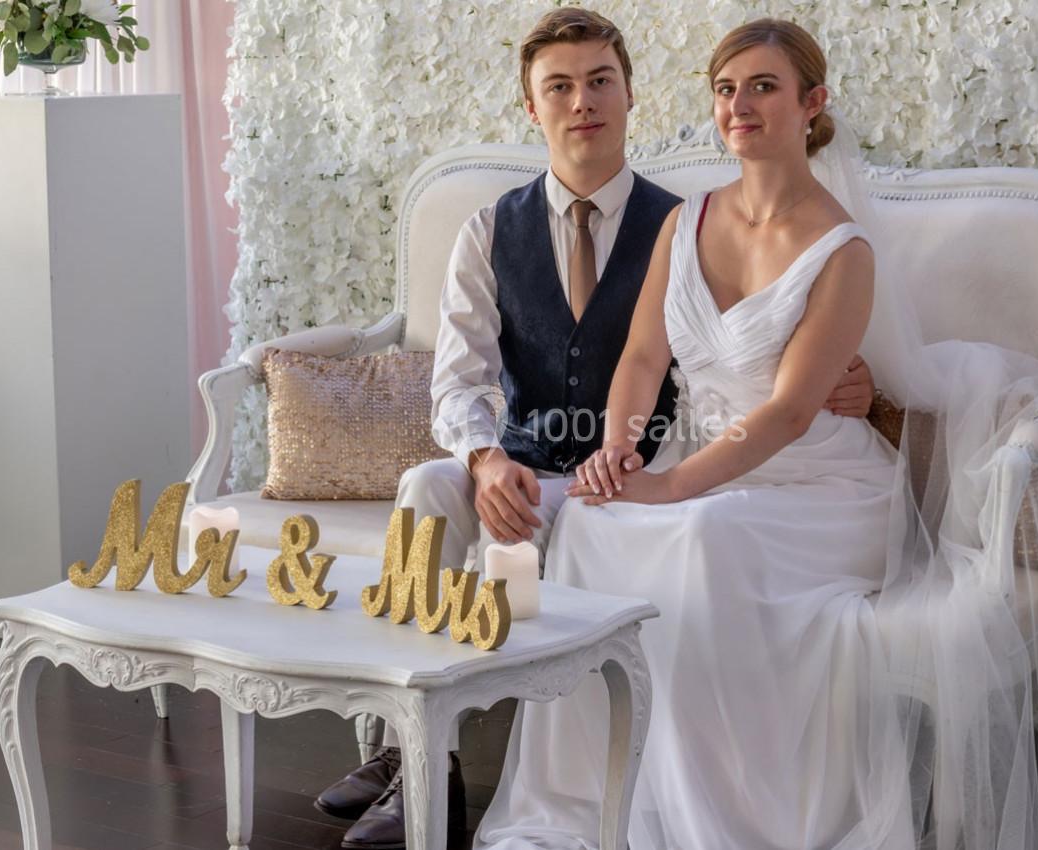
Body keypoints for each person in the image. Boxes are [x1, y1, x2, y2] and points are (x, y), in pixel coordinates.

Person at [474, 18, 1038, 850]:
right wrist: (619, 449)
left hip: (819, 486)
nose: (740, 106)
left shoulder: (844, 249)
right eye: (726, 90)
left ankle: (722, 823)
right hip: (703, 462)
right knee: (589, 522)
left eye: (763, 86)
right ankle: (595, 804)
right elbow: (644, 355)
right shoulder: (682, 223)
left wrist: (668, 485)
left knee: (705, 536)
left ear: (813, 103)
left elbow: (791, 412)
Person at [314, 10, 877, 849]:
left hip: (647, 468)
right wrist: (483, 457)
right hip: (532, 466)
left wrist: (854, 382)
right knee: (425, 487)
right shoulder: (486, 231)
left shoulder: (683, 219)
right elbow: (458, 378)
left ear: (629, 95)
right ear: (531, 107)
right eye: (560, 87)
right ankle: (414, 760)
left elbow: (735, 356)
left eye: (600, 81)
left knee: (619, 522)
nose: (583, 102)